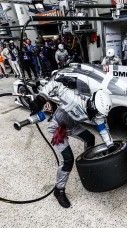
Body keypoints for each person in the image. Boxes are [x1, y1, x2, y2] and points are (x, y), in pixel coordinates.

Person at [29, 79, 114, 208]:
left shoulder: (98, 112)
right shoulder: (72, 98)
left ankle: (86, 167)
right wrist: (41, 98)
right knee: (67, 160)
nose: (98, 117)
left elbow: (103, 129)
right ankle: (59, 190)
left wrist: (110, 145)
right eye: (96, 113)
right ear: (92, 106)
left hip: (72, 125)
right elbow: (54, 85)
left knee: (89, 138)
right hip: (57, 127)